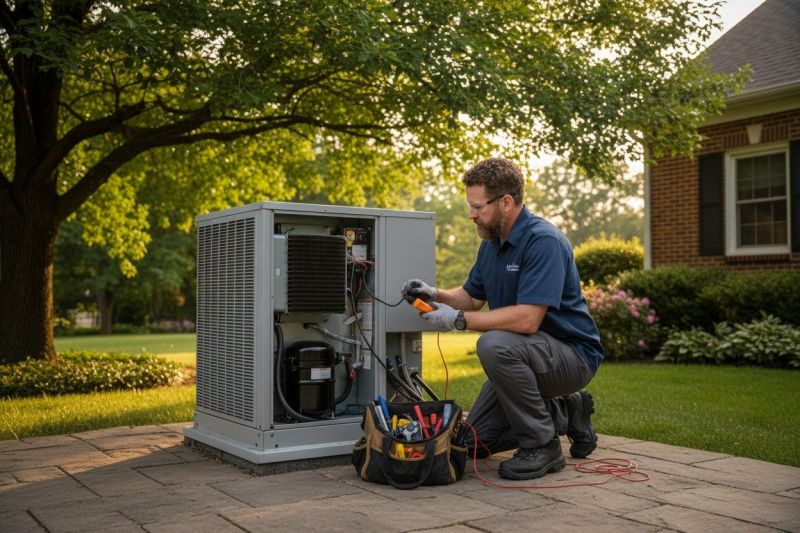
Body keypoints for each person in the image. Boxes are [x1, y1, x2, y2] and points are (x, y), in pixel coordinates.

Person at [403, 157, 603, 481]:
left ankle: (543, 444)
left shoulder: (544, 242)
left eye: (477, 207)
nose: (471, 214)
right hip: (526, 355)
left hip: (572, 356)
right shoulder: (491, 244)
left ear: (506, 202)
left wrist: (457, 321)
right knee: (472, 443)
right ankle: (565, 411)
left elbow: (527, 320)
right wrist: (435, 294)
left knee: (493, 345)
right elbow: (472, 297)